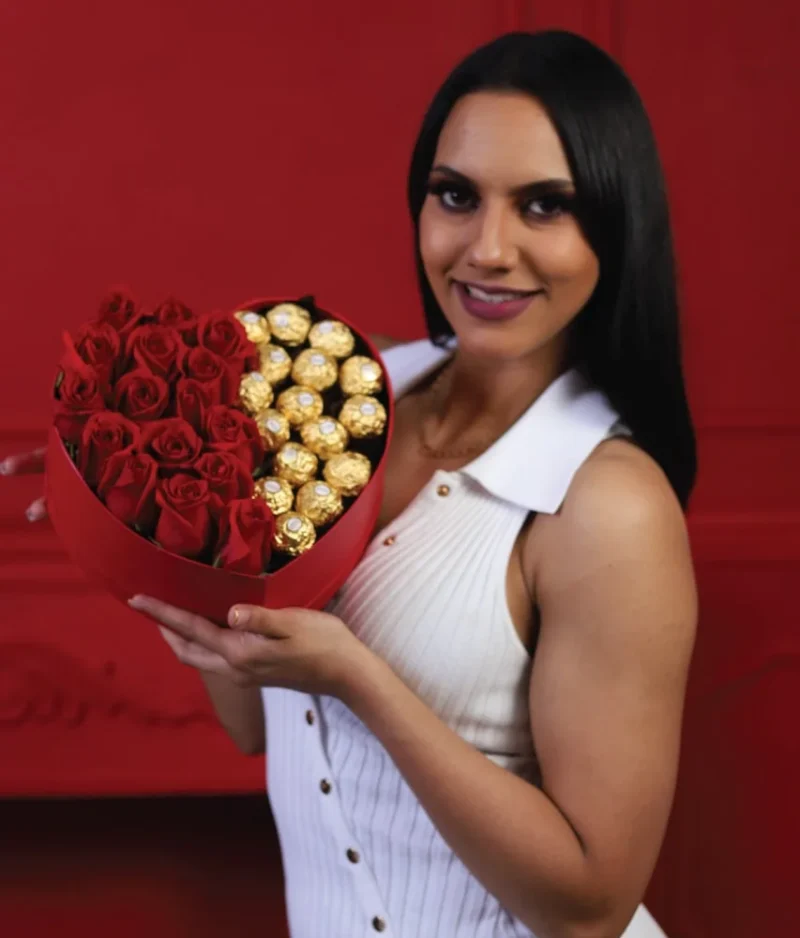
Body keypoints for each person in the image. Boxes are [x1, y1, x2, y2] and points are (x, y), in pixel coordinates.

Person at [2, 31, 697, 938]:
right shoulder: (345, 394)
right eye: (456, 196)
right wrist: (146, 526)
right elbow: (257, 724)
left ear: (614, 224)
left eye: (543, 207)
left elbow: (590, 908)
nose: (487, 248)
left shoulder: (609, 505)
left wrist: (357, 679)